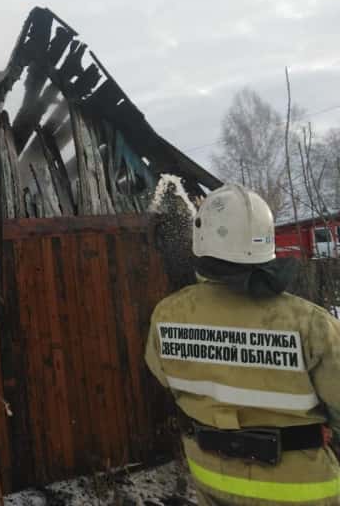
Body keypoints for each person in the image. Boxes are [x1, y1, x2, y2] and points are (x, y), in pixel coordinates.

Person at [145, 183, 340, 505]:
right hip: (302, 490)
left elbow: (166, 379)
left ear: (201, 239)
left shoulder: (166, 315)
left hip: (212, 479)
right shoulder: (310, 323)